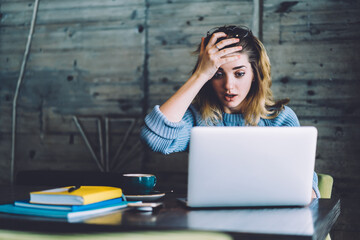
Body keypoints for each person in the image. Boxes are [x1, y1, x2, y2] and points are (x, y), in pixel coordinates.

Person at [140, 25, 320, 198]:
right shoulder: (196, 118)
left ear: (255, 75)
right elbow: (153, 138)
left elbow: (308, 192)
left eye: (239, 73)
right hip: (211, 218)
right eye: (218, 74)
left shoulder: (281, 119)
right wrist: (201, 74)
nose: (228, 86)